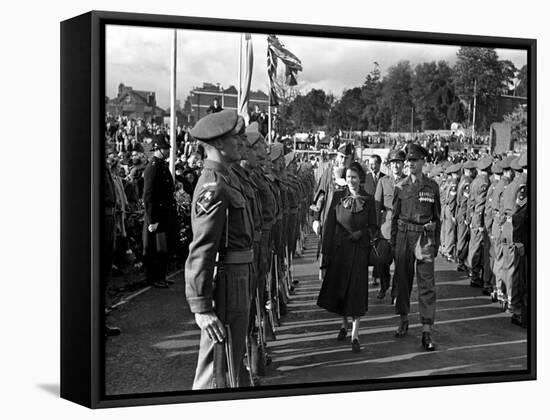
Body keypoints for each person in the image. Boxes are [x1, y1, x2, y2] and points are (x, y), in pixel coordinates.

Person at [184, 110, 254, 389]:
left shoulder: (228, 178)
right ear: (220, 145)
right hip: (226, 282)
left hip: (239, 276)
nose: (240, 142)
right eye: (234, 137)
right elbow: (201, 247)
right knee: (216, 370)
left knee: (231, 363)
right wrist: (201, 305)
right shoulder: (214, 185)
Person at [317, 162, 378, 353]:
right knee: (340, 291)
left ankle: (355, 334)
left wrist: (362, 234)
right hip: (339, 251)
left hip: (358, 253)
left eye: (354, 177)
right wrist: (325, 257)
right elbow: (328, 228)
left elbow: (374, 227)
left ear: (361, 179)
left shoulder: (368, 201)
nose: (351, 180)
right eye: (348, 177)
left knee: (356, 292)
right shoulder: (336, 197)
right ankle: (343, 324)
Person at [391, 144, 441, 351]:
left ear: (423, 162)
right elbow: (394, 217)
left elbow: (438, 217)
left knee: (427, 285)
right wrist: (394, 243)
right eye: (408, 161)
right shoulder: (400, 187)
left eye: (414, 160)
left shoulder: (432, 186)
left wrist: (435, 243)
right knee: (402, 281)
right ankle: (403, 319)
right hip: (404, 236)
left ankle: (426, 330)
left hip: (424, 237)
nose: (410, 164)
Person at [142, 136, 178, 288]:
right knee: (156, 249)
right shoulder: (153, 167)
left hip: (164, 214)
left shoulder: (161, 165)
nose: (167, 151)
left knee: (164, 249)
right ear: (157, 149)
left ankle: (161, 276)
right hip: (157, 214)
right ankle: (155, 278)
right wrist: (152, 219)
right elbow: (148, 195)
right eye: (164, 148)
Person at [374, 149, 406, 300]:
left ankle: (396, 291)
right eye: (393, 164)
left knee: (400, 265)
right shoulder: (383, 181)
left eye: (398, 163)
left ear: (403, 165)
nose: (396, 166)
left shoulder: (408, 182)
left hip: (402, 229)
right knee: (381, 261)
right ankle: (384, 285)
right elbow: (377, 206)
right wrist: (374, 228)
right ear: (389, 165)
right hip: (385, 228)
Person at [466, 156, 492, 288]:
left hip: (474, 217)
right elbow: (481, 204)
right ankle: (475, 275)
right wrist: (481, 223)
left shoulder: (476, 181)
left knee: (474, 246)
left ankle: (474, 273)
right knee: (477, 248)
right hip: (479, 219)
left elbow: (471, 202)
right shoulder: (484, 182)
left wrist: (470, 217)